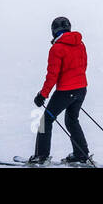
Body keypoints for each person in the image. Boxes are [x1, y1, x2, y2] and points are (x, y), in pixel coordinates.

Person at [31, 16, 91, 165]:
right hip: (81, 90)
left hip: (65, 92)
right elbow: (83, 66)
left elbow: (52, 76)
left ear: (53, 31)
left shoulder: (57, 48)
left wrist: (42, 95)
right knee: (72, 120)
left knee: (46, 121)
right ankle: (81, 154)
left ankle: (41, 157)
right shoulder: (80, 44)